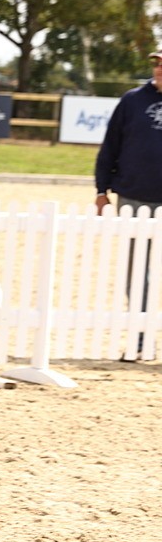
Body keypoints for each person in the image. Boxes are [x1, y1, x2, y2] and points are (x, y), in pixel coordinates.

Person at [95, 49, 162, 356]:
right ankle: (141, 341)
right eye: (157, 63)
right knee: (137, 273)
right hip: (133, 198)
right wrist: (101, 189)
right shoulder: (132, 100)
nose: (159, 68)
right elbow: (111, 144)